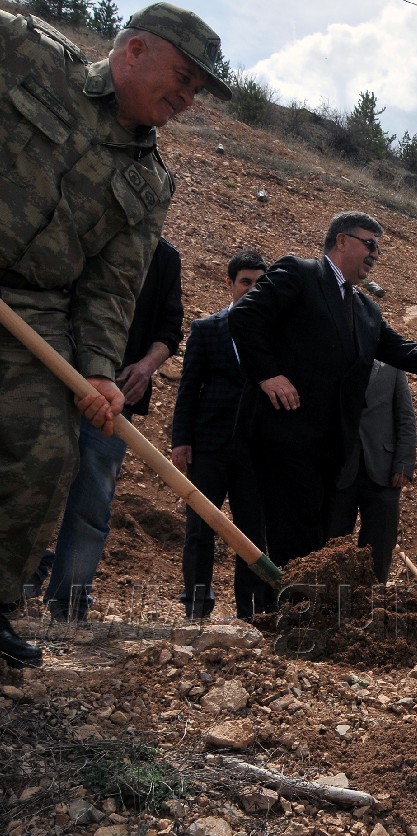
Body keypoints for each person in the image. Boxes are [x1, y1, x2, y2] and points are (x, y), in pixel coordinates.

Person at [0, 1, 230, 666]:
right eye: (184, 77)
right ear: (134, 51)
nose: (188, 98)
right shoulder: (28, 51)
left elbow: (111, 285)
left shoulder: (151, 181)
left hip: (34, 307)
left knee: (44, 449)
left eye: (197, 89)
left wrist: (100, 368)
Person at [228, 211, 417, 571]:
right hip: (282, 438)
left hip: (330, 451)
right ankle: (285, 616)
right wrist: (268, 374)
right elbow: (244, 317)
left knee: (316, 542)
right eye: (370, 244)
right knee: (289, 540)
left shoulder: (365, 309)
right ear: (342, 241)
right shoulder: (300, 274)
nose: (375, 255)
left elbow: (401, 350)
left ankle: (301, 615)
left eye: (378, 248)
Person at [41, 238, 183, 621]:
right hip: (53, 382)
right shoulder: (86, 233)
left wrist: (145, 367)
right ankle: (15, 586)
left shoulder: (164, 257)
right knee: (31, 484)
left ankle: (68, 604)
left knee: (91, 502)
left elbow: (170, 328)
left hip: (116, 399)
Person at [170, 251, 271, 620]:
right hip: (208, 447)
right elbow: (189, 388)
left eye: (261, 283)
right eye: (246, 282)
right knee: (199, 531)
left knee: (252, 536)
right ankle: (196, 608)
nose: (253, 289)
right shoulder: (206, 329)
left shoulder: (277, 336)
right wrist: (181, 439)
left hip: (256, 452)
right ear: (229, 284)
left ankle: (250, 612)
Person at [328, 361, 417, 583]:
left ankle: (373, 599)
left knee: (380, 543)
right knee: (333, 542)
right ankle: (335, 599)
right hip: (340, 470)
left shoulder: (393, 368)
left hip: (384, 471)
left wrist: (403, 464)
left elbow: (406, 418)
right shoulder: (335, 359)